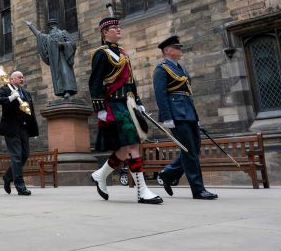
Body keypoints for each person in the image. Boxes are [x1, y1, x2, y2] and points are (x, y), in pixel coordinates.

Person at [88, 16, 162, 204]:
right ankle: (142, 191)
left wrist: (138, 101)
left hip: (127, 103)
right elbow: (95, 82)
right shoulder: (101, 54)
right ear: (105, 32)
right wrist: (100, 109)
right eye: (114, 27)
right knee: (132, 144)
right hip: (113, 104)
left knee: (124, 148)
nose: (119, 29)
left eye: (119, 27)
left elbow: (130, 80)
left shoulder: (123, 54)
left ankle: (100, 174)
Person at [153, 35, 218, 200]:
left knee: (193, 149)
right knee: (189, 151)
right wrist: (167, 117)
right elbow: (160, 95)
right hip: (176, 115)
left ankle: (168, 173)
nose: (180, 50)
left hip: (188, 113)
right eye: (177, 47)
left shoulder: (180, 68)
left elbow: (187, 93)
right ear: (168, 50)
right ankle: (198, 190)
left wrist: (195, 117)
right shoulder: (161, 68)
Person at [0, 71, 39, 196]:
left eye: (23, 77)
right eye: (19, 77)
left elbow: (31, 112)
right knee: (16, 156)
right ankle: (20, 186)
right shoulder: (6, 89)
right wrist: (10, 98)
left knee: (24, 155)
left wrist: (33, 129)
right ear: (12, 79)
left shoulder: (26, 93)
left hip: (24, 128)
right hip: (11, 129)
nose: (22, 79)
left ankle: (8, 176)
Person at [25, 19, 77, 98]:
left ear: (56, 26)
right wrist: (31, 26)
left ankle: (68, 90)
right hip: (54, 60)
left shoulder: (63, 33)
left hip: (63, 58)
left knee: (65, 72)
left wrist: (63, 45)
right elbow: (39, 35)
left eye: (53, 26)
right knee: (58, 75)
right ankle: (62, 91)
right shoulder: (48, 37)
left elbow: (72, 43)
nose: (52, 28)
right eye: (50, 27)